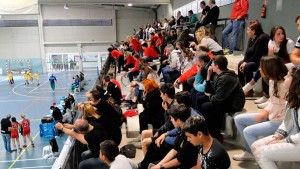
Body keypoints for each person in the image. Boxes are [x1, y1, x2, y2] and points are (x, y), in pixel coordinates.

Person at [233, 56, 288, 161]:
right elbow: (272, 102)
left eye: (261, 67)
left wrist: (266, 113)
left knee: (248, 131)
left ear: (270, 68)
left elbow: (288, 109)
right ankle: (250, 152)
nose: (259, 69)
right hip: (271, 116)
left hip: (281, 121)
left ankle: (260, 158)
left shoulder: (285, 85)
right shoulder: (272, 81)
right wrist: (265, 111)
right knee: (238, 119)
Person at [251, 66, 300, 169]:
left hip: (297, 140)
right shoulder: (291, 96)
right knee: (255, 146)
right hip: (294, 137)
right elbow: (287, 121)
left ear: (296, 79)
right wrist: (278, 135)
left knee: (261, 153)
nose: (285, 77)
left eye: (288, 75)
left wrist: (284, 141)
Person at [198, 55, 245, 142]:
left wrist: (209, 95)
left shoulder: (225, 78)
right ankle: (205, 128)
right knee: (200, 99)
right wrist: (208, 76)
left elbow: (217, 99)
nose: (210, 66)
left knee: (206, 106)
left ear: (217, 66)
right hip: (226, 99)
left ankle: (215, 135)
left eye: (212, 64)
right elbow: (209, 90)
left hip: (234, 103)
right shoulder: (218, 75)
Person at [243, 25, 295, 104]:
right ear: (273, 36)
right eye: (278, 34)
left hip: (288, 65)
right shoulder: (271, 42)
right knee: (264, 67)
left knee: (267, 68)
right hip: (276, 65)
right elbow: (270, 60)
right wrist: (270, 53)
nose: (282, 36)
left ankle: (253, 84)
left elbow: (292, 61)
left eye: (282, 33)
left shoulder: (289, 43)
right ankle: (267, 96)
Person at [148, 104, 198, 169]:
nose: (171, 120)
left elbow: (179, 161)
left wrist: (160, 167)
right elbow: (175, 150)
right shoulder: (181, 129)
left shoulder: (189, 136)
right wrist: (159, 165)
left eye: (171, 118)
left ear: (179, 121)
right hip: (179, 160)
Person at [237, 19, 269, 95]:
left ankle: (250, 90)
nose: (247, 32)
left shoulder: (262, 38)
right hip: (254, 60)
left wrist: (246, 63)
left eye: (248, 30)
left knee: (248, 66)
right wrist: (244, 61)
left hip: (261, 61)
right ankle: (242, 86)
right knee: (240, 63)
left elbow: (257, 55)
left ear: (253, 31)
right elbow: (247, 53)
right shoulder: (251, 39)